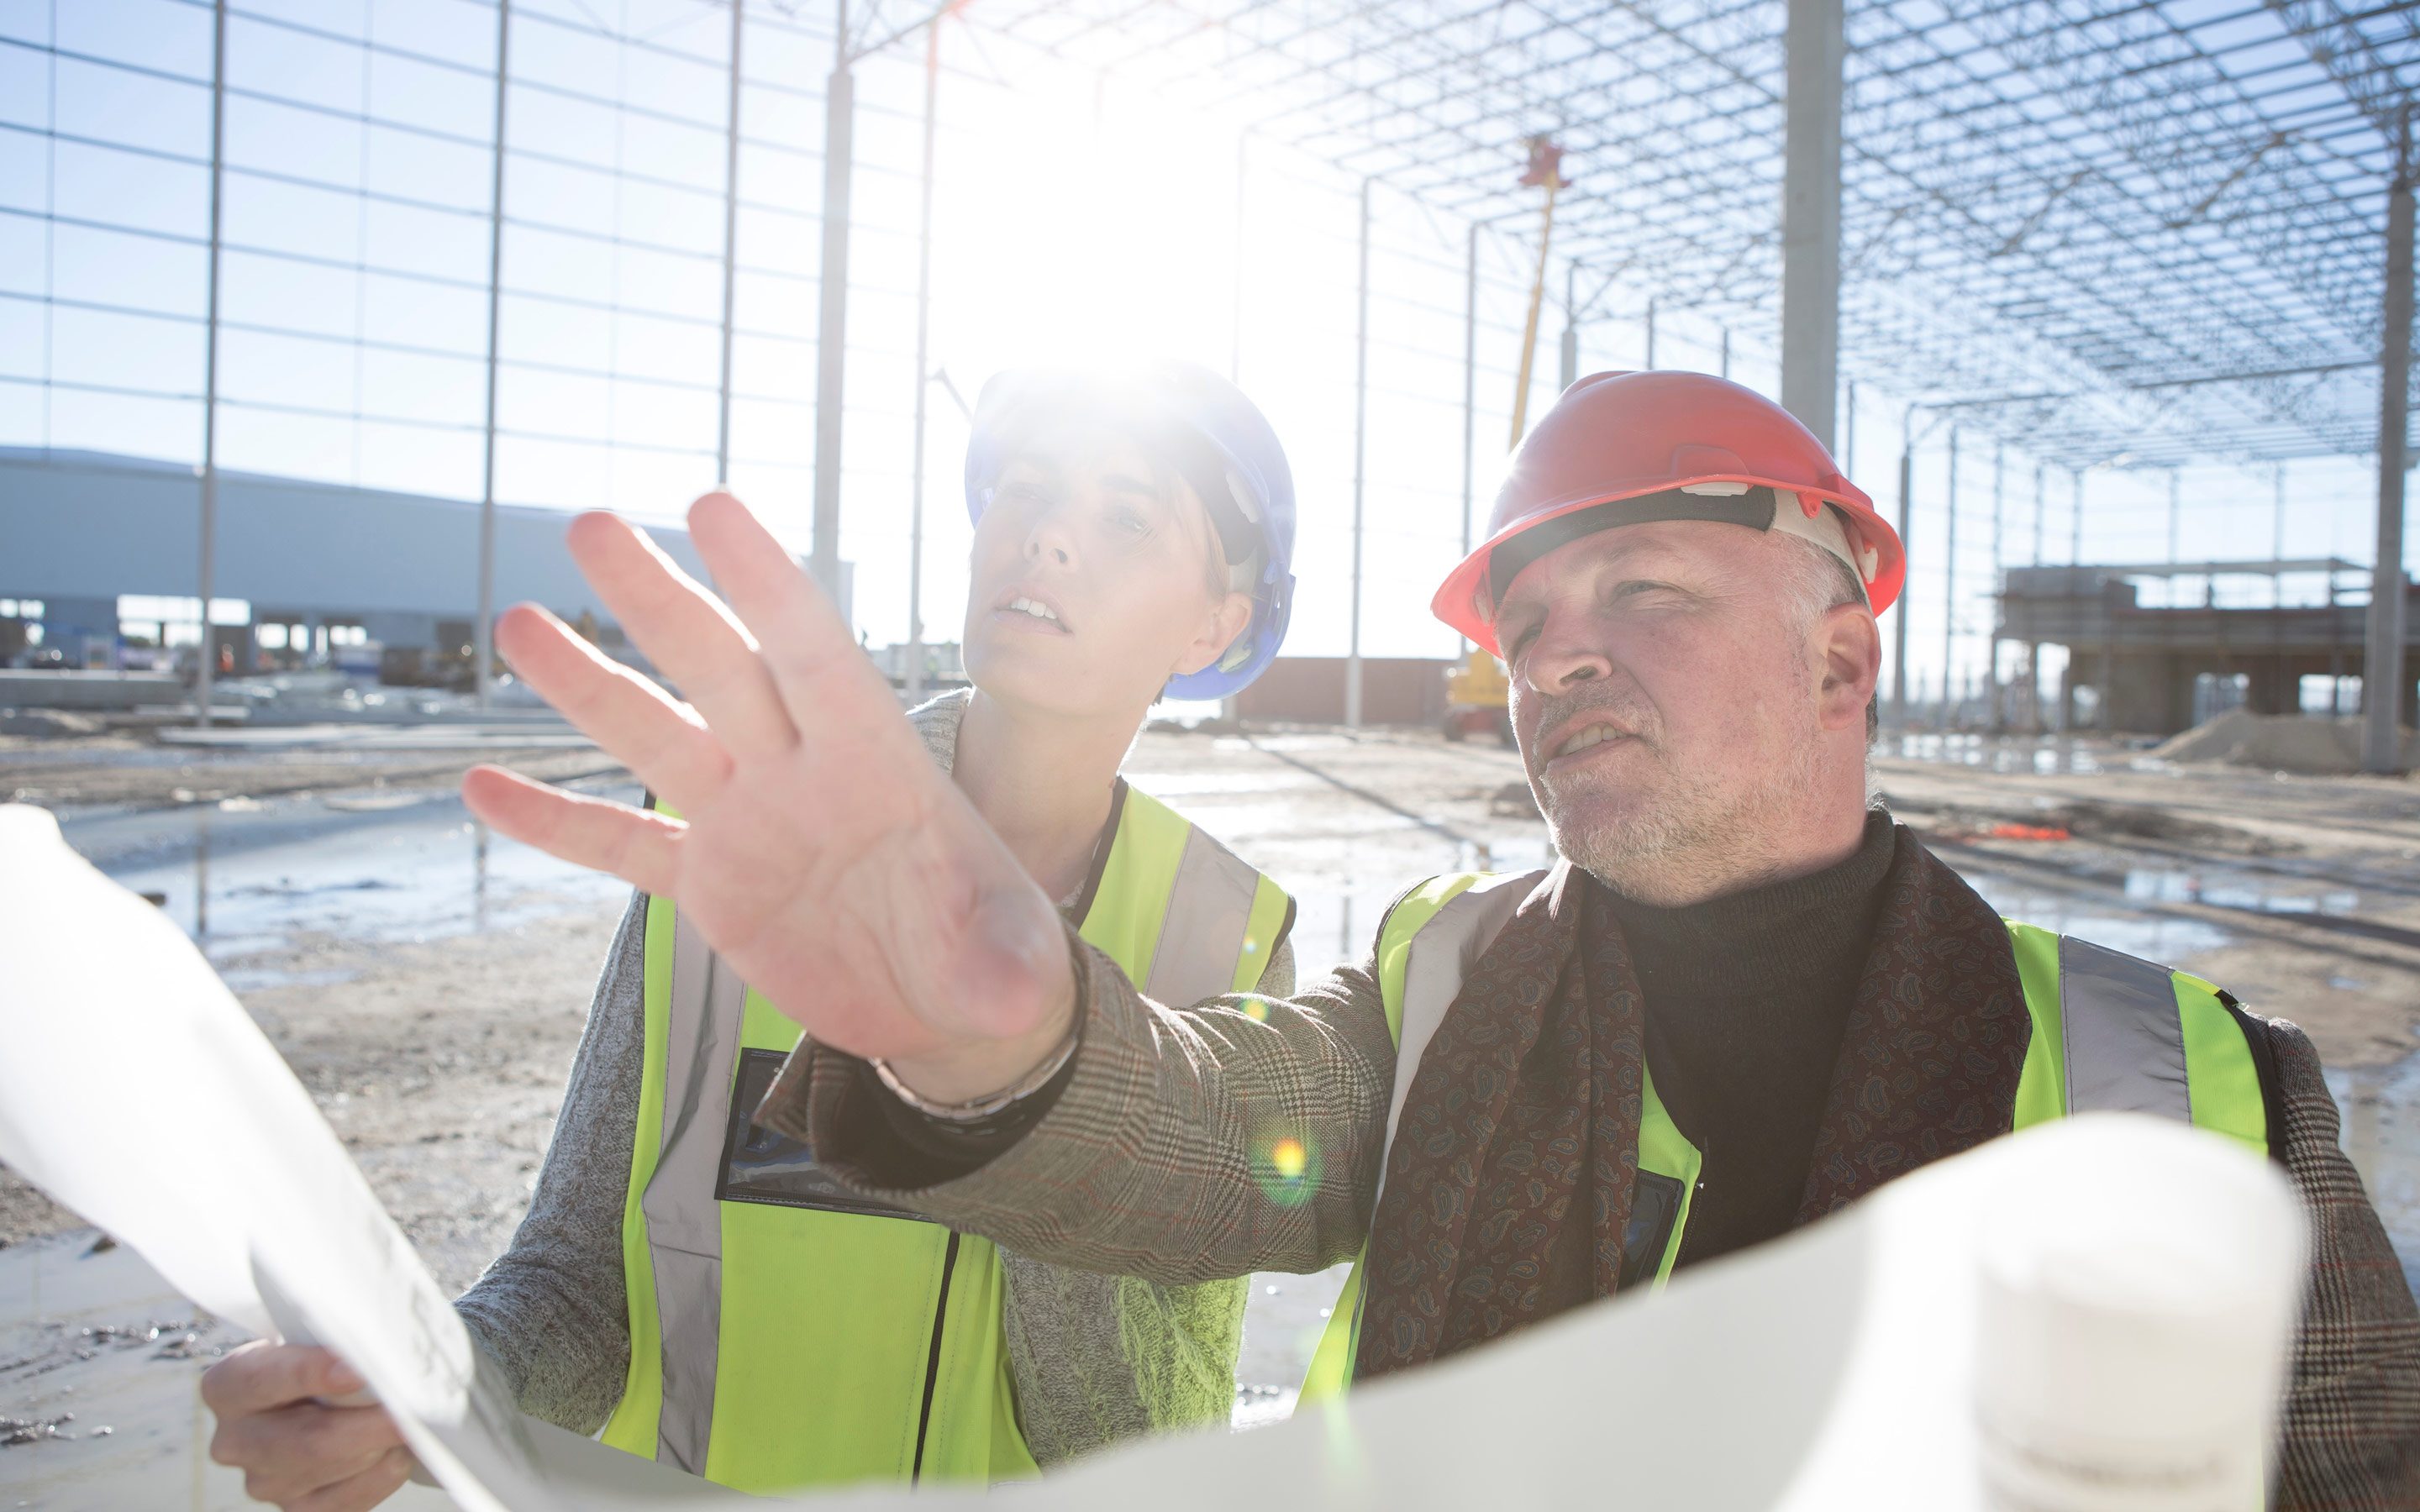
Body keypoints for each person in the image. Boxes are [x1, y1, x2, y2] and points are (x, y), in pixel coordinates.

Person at [442, 371, 2420, 1504]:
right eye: (1530, 625)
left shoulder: (2195, 1101)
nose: (1560, 659)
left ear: (1840, 660)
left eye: (1644, 593)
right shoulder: (1449, 983)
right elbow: (1216, 1133)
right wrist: (1003, 1050)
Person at [200, 362, 1304, 1506]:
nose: (1050, 534)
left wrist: (1024, 1093)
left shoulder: (1224, 937)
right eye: (1029, 487)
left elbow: (1154, 1429)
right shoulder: (749, 837)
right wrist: (435, 1393)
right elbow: (578, 1282)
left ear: (1213, 626)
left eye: (1129, 517)